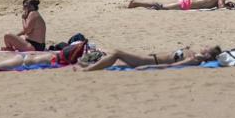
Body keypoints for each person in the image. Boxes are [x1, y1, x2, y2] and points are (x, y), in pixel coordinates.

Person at [81, 45, 222, 72]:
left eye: (207, 48)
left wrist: (148, 67)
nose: (204, 46)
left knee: (117, 53)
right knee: (111, 52)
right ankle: (89, 59)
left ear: (208, 55)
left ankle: (88, 70)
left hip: (148, 61)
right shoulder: (195, 54)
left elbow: (172, 67)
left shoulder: (195, 59)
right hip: (149, 57)